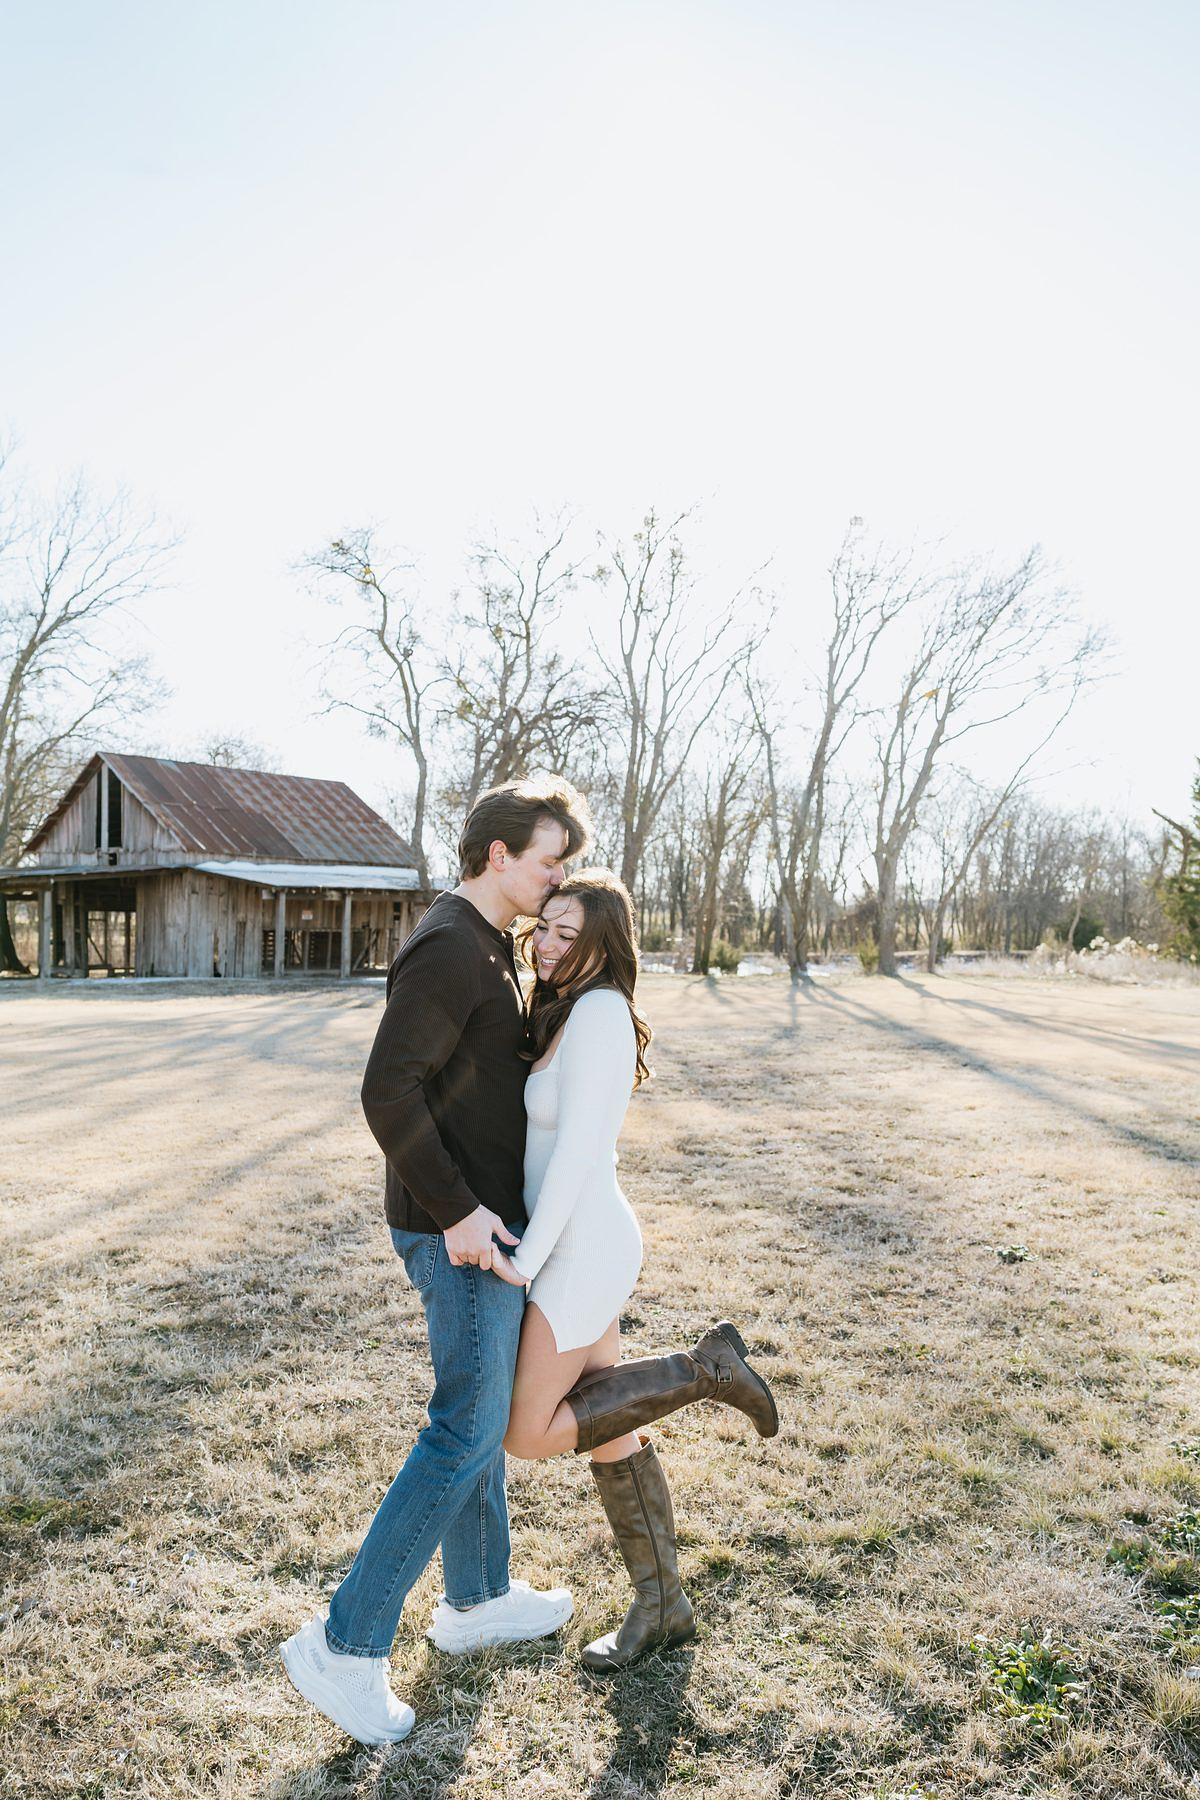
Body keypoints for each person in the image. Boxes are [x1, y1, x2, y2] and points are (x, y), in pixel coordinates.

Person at [280, 777, 593, 1747]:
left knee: (481, 1412)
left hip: (483, 1225)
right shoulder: (451, 947)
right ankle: (345, 1644)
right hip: (454, 1231)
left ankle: (477, 1599)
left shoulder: (483, 945)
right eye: (550, 860)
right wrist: (457, 1211)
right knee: (463, 1430)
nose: (558, 879)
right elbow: (387, 1090)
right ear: (499, 856)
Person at [491, 868, 779, 1672]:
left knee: (527, 1431)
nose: (546, 944)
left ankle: (706, 1371)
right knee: (612, 1428)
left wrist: (528, 1262)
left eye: (566, 934)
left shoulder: (603, 1014)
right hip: (569, 1243)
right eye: (542, 927)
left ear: (603, 945)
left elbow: (581, 1154)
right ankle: (664, 1606)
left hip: (582, 1249)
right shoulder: (565, 1011)